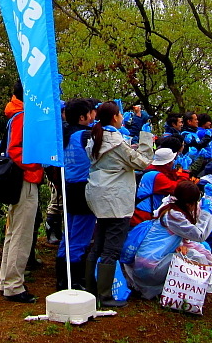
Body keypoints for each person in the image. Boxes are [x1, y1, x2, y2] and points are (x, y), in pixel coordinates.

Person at [84, 101, 153, 307]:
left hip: (99, 194)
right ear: (115, 117)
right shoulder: (115, 140)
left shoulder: (95, 137)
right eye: (121, 114)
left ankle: (90, 290)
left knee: (98, 244)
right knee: (111, 249)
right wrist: (146, 138)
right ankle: (104, 296)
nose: (123, 117)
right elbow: (142, 162)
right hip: (116, 199)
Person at [122, 181, 212, 300]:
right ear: (189, 203)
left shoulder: (169, 209)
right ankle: (187, 295)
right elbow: (199, 235)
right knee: (195, 256)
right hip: (149, 269)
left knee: (196, 250)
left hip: (144, 265)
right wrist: (206, 212)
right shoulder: (174, 216)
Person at [0, 80, 43, 303]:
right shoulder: (22, 116)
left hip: (18, 180)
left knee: (13, 232)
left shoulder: (15, 114)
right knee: (22, 234)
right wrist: (35, 165)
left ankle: (7, 282)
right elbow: (15, 150)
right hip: (25, 179)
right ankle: (14, 286)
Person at [54, 98, 97, 291]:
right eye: (90, 112)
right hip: (83, 190)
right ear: (82, 117)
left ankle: (62, 280)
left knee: (68, 235)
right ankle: (75, 282)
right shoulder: (86, 135)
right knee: (80, 238)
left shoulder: (63, 134)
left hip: (68, 188)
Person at [131, 148, 180, 225]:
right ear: (167, 164)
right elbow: (178, 189)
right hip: (143, 215)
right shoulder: (158, 176)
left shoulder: (149, 169)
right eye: (173, 160)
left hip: (136, 210)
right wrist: (183, 174)